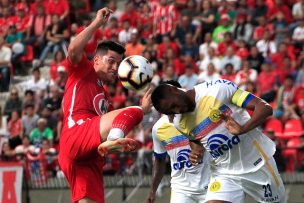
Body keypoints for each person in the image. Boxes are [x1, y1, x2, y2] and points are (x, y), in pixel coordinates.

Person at [58, 7, 152, 203]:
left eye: (118, 64)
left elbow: (108, 130)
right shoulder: (83, 70)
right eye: (111, 61)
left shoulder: (105, 97)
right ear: (97, 60)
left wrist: (120, 145)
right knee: (134, 110)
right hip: (77, 134)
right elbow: (74, 50)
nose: (115, 68)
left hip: (90, 156)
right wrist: (97, 23)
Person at [151, 79, 285, 203]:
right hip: (224, 172)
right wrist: (195, 152)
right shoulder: (180, 123)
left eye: (174, 105)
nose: (177, 110)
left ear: (174, 89)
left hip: (257, 162)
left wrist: (243, 128)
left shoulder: (217, 89)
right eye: (172, 111)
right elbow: (196, 141)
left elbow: (265, 108)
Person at [147, 81, 210, 203]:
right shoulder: (158, 128)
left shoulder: (199, 116)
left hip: (209, 183)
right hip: (181, 189)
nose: (176, 109)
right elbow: (159, 160)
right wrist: (152, 190)